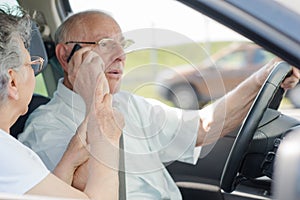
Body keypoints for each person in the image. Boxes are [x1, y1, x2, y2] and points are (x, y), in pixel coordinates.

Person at [18, 10, 300, 199]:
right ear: (66, 56)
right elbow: (87, 189)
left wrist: (262, 77)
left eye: (122, 44)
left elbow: (203, 126)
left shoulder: (129, 103)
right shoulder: (46, 127)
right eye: (105, 44)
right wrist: (95, 97)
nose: (121, 55)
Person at [0, 6, 123, 199]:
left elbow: (49, 197)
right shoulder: (7, 155)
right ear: (13, 82)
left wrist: (71, 157)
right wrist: (104, 125)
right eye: (31, 64)